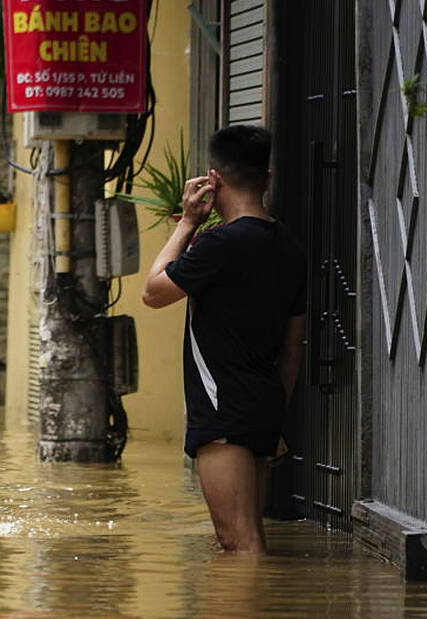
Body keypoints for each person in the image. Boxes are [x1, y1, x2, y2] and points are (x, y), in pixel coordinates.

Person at [141, 124, 307, 554]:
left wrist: (188, 223)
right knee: (250, 537)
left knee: (238, 542)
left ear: (214, 180)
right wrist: (275, 414)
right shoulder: (289, 246)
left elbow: (152, 292)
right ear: (266, 180)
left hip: (222, 411)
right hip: (264, 406)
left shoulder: (217, 245)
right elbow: (292, 348)